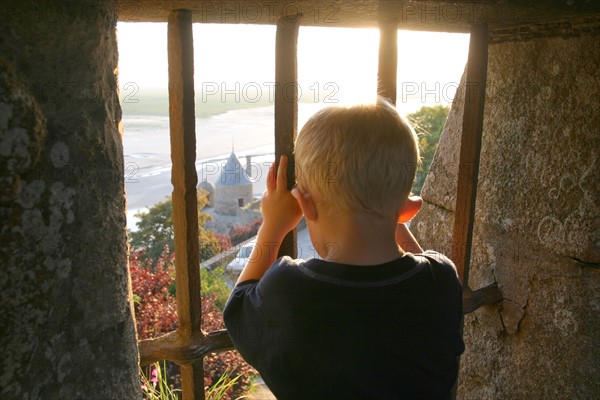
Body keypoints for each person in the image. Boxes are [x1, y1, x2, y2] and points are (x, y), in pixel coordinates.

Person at [223, 98, 464, 399]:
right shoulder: (440, 280)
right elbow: (421, 262)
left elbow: (239, 304)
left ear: (304, 205)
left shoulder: (291, 291)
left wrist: (273, 225)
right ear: (409, 210)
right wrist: (385, 212)